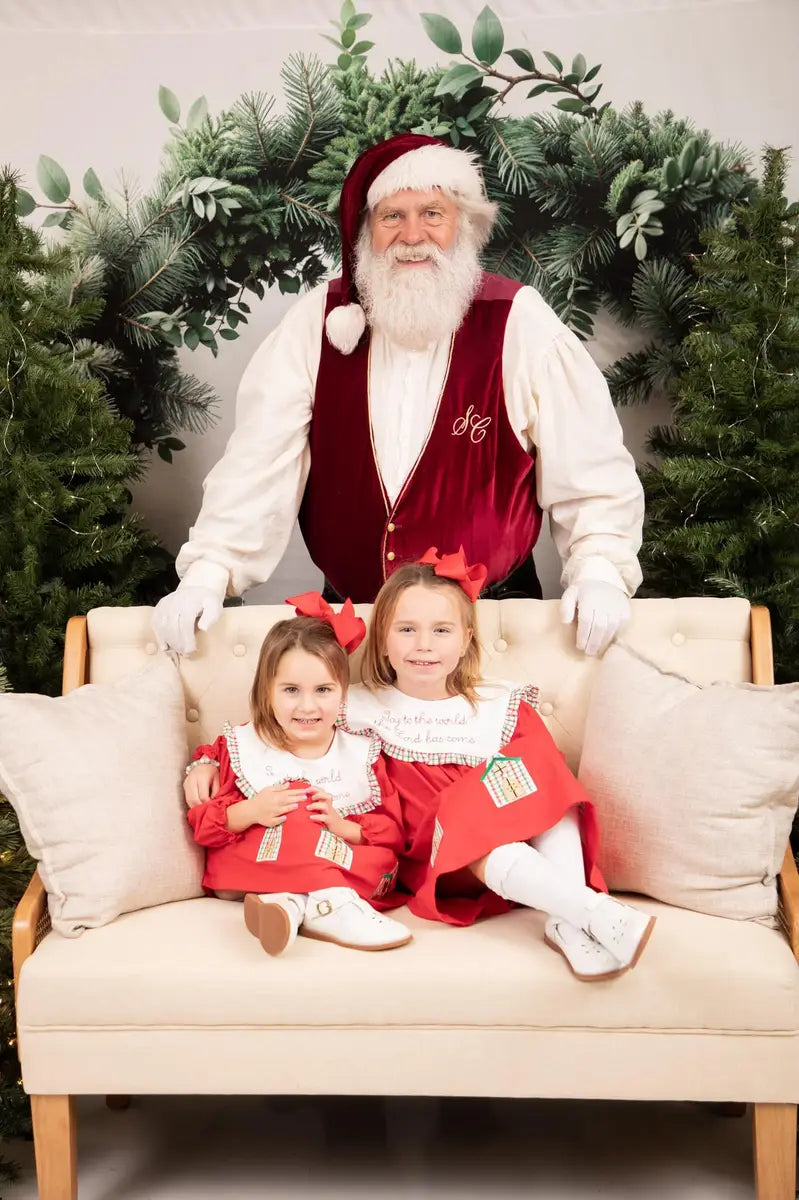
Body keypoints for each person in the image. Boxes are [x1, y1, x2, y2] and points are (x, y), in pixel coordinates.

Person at [152, 132, 644, 660]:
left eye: (432, 213)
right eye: (392, 216)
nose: (414, 235)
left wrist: (599, 569)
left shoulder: (518, 321)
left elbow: (589, 467)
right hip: (352, 626)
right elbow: (258, 463)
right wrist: (208, 571)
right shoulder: (318, 323)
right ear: (366, 231)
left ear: (465, 225)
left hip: (491, 626)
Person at [187, 549, 656, 982]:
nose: (423, 646)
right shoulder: (357, 706)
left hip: (508, 838)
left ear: (467, 637)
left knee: (545, 775)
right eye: (406, 629)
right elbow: (274, 726)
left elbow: (547, 790)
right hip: (434, 853)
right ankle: (589, 912)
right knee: (463, 817)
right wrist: (204, 762)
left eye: (441, 630)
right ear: (384, 640)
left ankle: (569, 917)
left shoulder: (498, 705)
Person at [185, 592, 411, 956]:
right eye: (291, 690)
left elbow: (391, 833)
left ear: (342, 694)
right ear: (267, 693)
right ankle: (334, 905)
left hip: (328, 861)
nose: (307, 706)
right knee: (300, 815)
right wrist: (252, 811)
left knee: (379, 858)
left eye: (323, 690)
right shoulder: (244, 746)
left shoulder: (360, 752)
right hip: (258, 862)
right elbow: (205, 826)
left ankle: (290, 907)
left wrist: (340, 825)